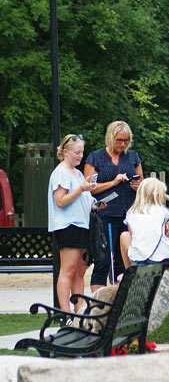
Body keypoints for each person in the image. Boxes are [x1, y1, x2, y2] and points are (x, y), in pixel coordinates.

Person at [48, 134, 106, 315]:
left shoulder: (78, 173)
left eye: (81, 152)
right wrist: (81, 188)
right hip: (68, 226)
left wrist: (95, 205)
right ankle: (65, 313)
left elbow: (82, 200)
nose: (80, 156)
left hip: (83, 225)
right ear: (65, 152)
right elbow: (60, 201)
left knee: (80, 271)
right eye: (76, 153)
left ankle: (79, 311)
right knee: (68, 270)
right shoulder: (61, 173)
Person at [84, 121, 143, 292]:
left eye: (126, 141)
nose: (122, 144)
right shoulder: (95, 157)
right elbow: (89, 189)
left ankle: (119, 302)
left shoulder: (133, 156)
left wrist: (137, 186)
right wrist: (113, 182)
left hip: (128, 214)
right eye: (119, 140)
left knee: (124, 259)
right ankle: (98, 304)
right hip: (105, 214)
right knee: (102, 261)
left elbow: (142, 182)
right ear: (111, 138)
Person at [119, 178, 169, 268]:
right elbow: (166, 232)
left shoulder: (131, 213)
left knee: (125, 235)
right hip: (160, 259)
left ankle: (129, 270)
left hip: (137, 258)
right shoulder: (163, 212)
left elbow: (132, 235)